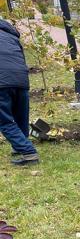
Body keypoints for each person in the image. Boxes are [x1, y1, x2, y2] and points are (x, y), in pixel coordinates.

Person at [0, 19, 39, 165]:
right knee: (20, 116)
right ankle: (19, 146)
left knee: (5, 121)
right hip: (21, 79)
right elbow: (21, 58)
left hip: (2, 82)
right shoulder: (11, 35)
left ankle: (28, 152)